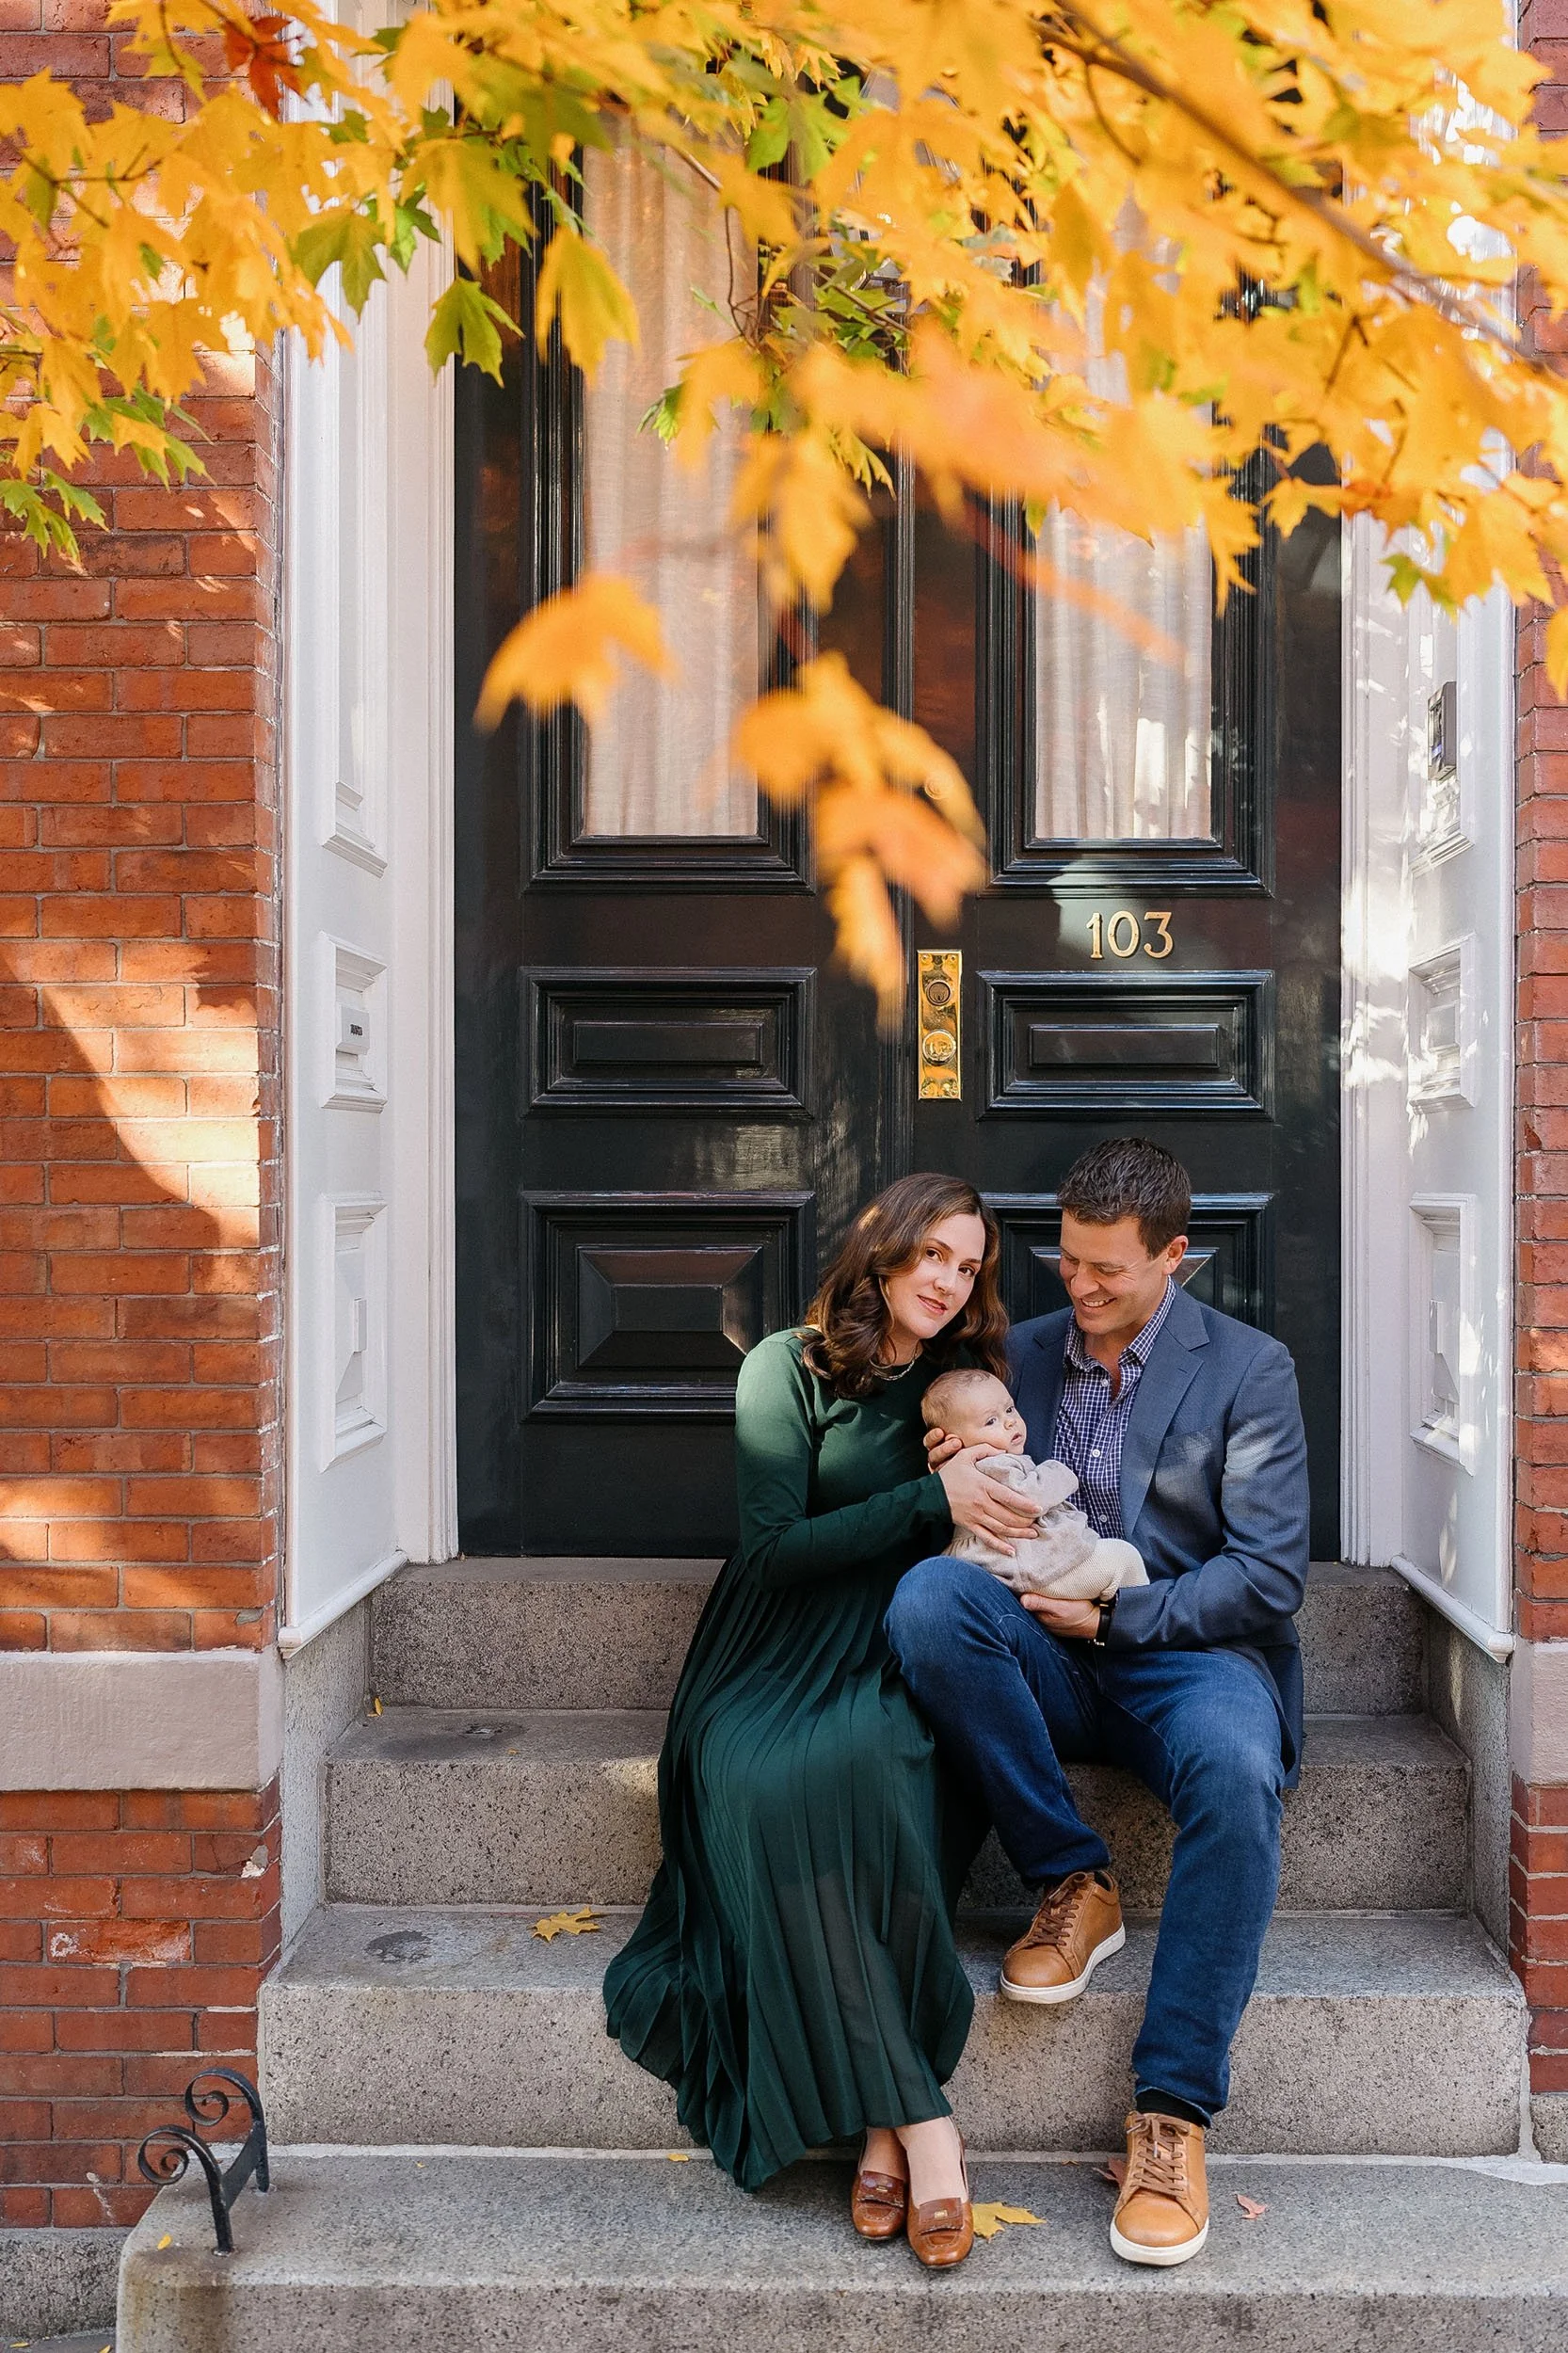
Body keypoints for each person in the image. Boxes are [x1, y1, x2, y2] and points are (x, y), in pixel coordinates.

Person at [887, 1136, 1310, 2270]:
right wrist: (943, 1479)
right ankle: (1073, 1877)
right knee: (928, 1602)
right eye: (1066, 1261)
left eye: (1106, 1269)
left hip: (1186, 1653)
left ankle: (1171, 2114)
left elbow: (1268, 1573)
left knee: (1235, 1770)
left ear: (1173, 1255)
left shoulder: (1249, 1367)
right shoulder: (1008, 1355)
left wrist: (1121, 1617)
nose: (1077, 1286)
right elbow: (939, 1495)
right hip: (1031, 1648)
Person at [603, 1173, 1041, 2268]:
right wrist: (927, 1499)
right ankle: (921, 2122)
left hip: (891, 1641)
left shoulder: (963, 1389)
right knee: (770, 1784)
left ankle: (885, 2132)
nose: (948, 1280)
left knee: (879, 1764)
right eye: (932, 1253)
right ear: (883, 1250)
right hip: (769, 1649)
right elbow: (773, 1550)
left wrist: (985, 1477)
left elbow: (1007, 1524)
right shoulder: (784, 1367)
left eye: (968, 1265)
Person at [921, 1366, 1147, 1599]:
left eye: (1009, 1409)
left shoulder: (992, 1462)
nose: (1009, 1422)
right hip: (1029, 1569)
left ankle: (1112, 1614)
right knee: (1123, 1558)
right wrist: (1059, 1472)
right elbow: (1028, 1500)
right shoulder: (989, 1466)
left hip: (1028, 1565)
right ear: (955, 1442)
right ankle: (1135, 1617)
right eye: (991, 1421)